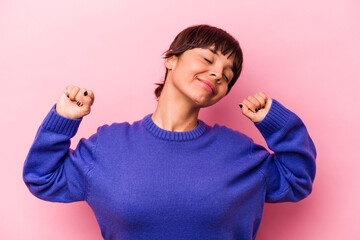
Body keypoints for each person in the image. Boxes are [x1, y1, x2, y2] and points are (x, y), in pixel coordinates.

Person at [23, 24, 316, 240]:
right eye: (208, 59)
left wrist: (276, 121)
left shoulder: (240, 152)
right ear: (171, 59)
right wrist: (63, 120)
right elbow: (43, 177)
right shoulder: (108, 146)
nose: (217, 73)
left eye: (227, 75)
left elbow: (297, 179)